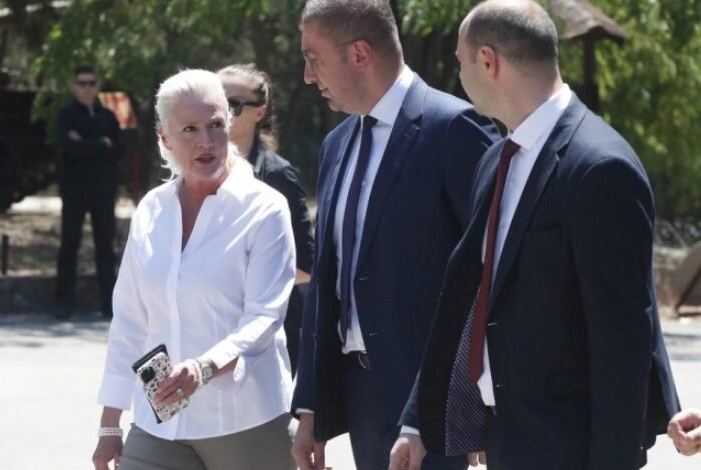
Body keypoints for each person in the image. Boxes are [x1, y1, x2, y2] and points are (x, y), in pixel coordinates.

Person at [391, 1, 680, 469]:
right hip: (505, 439)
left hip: (569, 449)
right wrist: (418, 423)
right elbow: (471, 298)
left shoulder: (600, 168)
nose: (458, 76)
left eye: (460, 62)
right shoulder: (496, 160)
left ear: (488, 61)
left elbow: (623, 342)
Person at [290, 1, 499, 469]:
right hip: (362, 398)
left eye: (313, 59)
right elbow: (326, 281)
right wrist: (310, 410)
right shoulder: (336, 144)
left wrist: (473, 404)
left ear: (359, 54)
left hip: (436, 404)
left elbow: (489, 274)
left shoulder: (456, 128)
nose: (306, 75)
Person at [91, 69, 296, 470]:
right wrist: (110, 423)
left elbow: (264, 317)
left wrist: (204, 368)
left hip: (246, 421)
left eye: (216, 125)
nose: (206, 141)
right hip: (159, 423)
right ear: (165, 137)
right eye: (189, 129)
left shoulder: (265, 208)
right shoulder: (151, 209)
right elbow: (130, 321)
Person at [218, 63, 315, 375]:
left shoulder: (277, 175)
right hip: (207, 326)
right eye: (213, 98)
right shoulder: (190, 173)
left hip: (266, 337)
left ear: (259, 112)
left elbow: (306, 266)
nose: (219, 110)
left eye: (232, 104)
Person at [54, 65, 124, 320]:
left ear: (98, 86)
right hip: (74, 190)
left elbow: (118, 150)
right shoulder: (66, 116)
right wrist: (100, 143)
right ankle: (63, 303)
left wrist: (84, 143)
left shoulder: (109, 116)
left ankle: (109, 303)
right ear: (74, 86)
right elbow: (67, 147)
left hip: (103, 191)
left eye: (91, 83)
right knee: (69, 245)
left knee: (105, 246)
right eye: (82, 83)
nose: (86, 88)